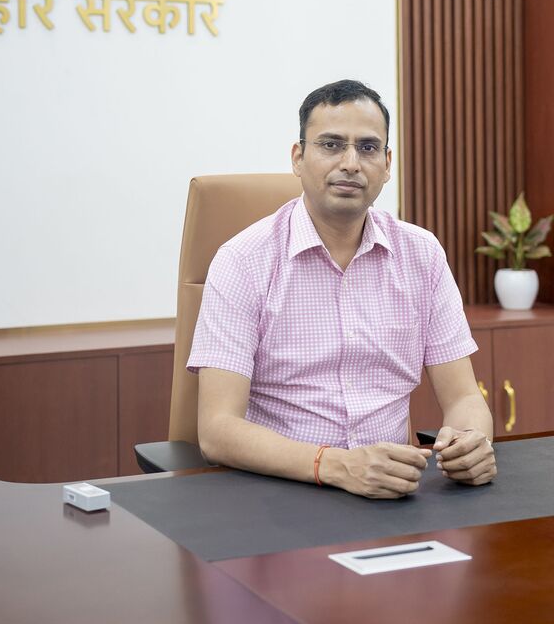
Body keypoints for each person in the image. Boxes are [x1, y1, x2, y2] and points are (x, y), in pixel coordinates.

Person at [187, 79, 496, 498]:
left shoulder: (421, 254)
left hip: (391, 494)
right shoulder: (244, 260)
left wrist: (471, 441)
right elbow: (217, 431)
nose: (351, 162)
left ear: (387, 164)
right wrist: (335, 466)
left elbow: (463, 397)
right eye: (331, 145)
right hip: (277, 492)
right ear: (298, 157)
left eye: (368, 148)